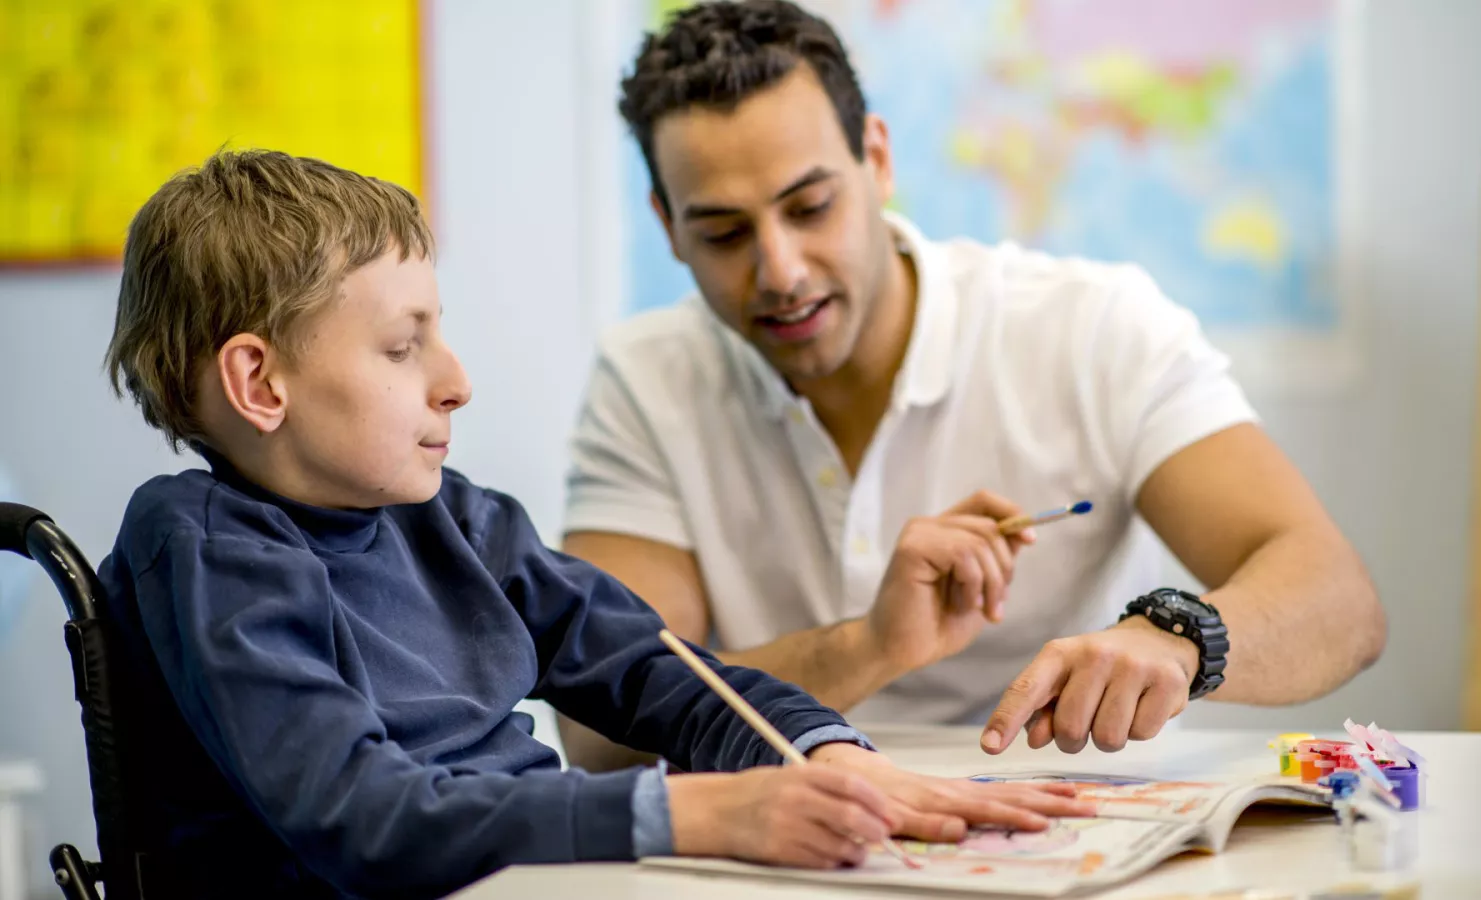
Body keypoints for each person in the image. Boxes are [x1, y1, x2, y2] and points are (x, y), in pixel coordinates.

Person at [95, 149, 1089, 899]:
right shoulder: (204, 548)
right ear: (257, 381)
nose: (456, 382)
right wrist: (692, 810)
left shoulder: (454, 518)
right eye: (404, 347)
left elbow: (663, 671)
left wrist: (824, 756)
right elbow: (365, 821)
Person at [558, 0, 1385, 770]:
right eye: (724, 232)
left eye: (810, 207)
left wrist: (1178, 637)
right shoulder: (646, 380)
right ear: (668, 227)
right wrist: (870, 644)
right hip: (779, 834)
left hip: (1068, 827)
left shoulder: (1094, 329)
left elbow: (1338, 600)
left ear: (876, 160)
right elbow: (599, 727)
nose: (780, 270)